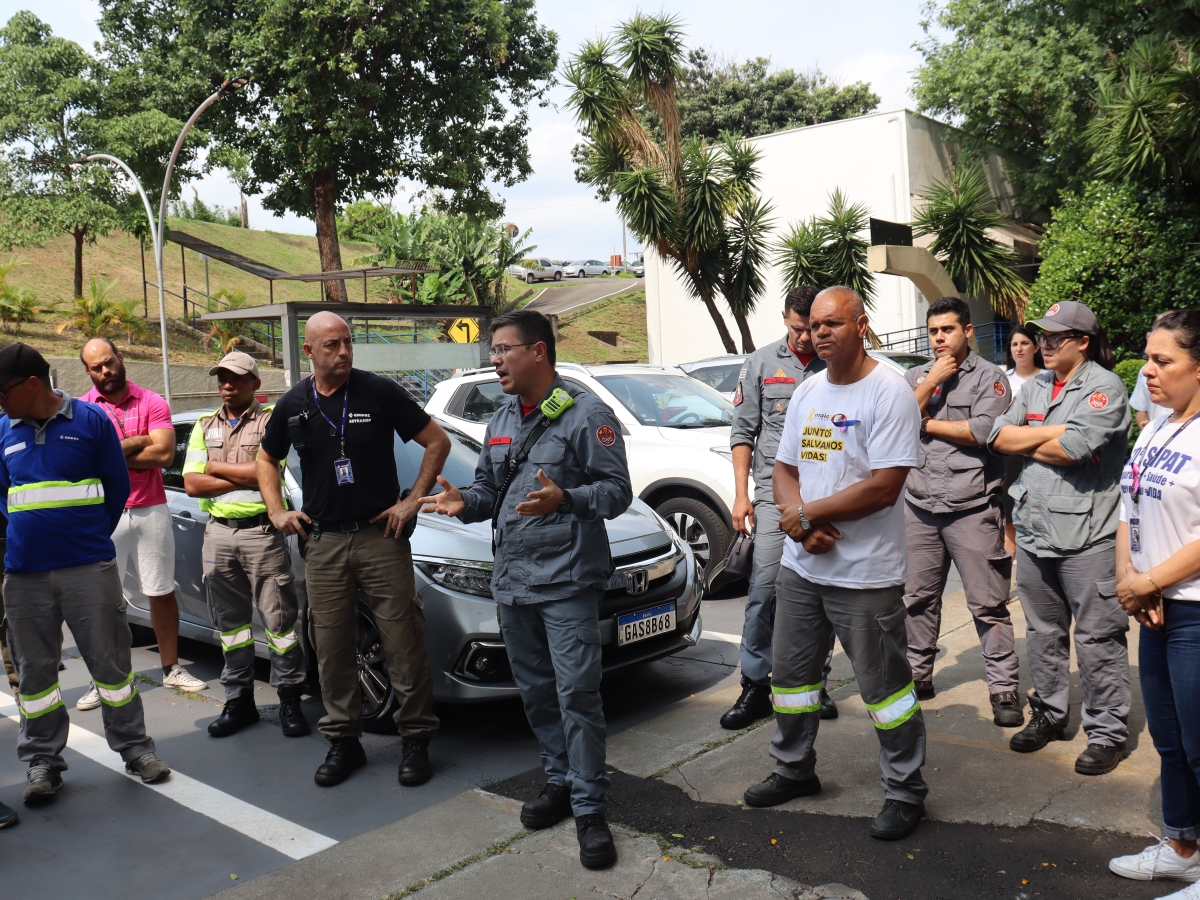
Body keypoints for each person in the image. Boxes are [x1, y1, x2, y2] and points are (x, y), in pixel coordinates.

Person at [420, 309, 633, 870]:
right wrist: (464, 502)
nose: (494, 360)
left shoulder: (587, 414)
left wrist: (568, 499)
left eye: (503, 349)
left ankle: (590, 809)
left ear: (538, 351)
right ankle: (559, 782)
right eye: (492, 350)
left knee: (577, 696)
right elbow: (491, 490)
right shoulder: (501, 417)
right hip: (514, 582)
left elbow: (617, 491)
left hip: (567, 581)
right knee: (536, 693)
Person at [740, 286, 929, 841]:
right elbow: (784, 468)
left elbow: (884, 487)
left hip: (865, 575)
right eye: (814, 325)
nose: (820, 333)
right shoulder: (808, 390)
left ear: (861, 326)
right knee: (792, 681)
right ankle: (793, 770)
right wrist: (800, 523)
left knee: (886, 692)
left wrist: (807, 515)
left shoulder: (889, 390)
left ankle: (905, 792)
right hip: (803, 569)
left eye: (833, 323)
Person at [257, 312, 450, 788]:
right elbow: (265, 457)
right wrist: (277, 510)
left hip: (380, 537)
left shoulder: (378, 391)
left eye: (347, 342)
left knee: (403, 640)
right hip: (322, 542)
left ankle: (415, 739)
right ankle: (344, 740)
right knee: (331, 647)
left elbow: (437, 442)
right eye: (331, 345)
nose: (343, 351)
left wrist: (412, 500)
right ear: (309, 351)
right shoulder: (294, 403)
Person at [0, 343, 169, 806]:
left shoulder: (91, 421)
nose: (0, 400)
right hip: (25, 574)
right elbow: (3, 496)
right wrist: (29, 535)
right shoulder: (3, 430)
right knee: (35, 674)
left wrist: (87, 539)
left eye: (3, 391)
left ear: (32, 384)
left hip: (88, 568)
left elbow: (116, 487)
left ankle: (135, 749)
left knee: (111, 665)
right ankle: (43, 762)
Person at [989, 300, 1131, 775]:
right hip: (1035, 530)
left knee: (1098, 637)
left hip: (1088, 536)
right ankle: (1049, 714)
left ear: (1083, 342)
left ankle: (1106, 732)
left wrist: (1031, 434)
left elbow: (1073, 449)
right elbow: (997, 436)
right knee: (1043, 633)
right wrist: (1049, 433)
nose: (1044, 345)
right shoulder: (1036, 385)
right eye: (1041, 337)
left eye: (1055, 338)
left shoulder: (1104, 388)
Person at [1107, 311, 1200, 892]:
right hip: (1155, 607)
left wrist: (1148, 583)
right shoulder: (1156, 428)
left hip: (1193, 610)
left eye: (1162, 360)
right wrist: (1130, 580)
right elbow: (1130, 508)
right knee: (1170, 740)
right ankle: (1183, 846)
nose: (1148, 370)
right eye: (1148, 358)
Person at [902, 297, 1022, 726]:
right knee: (917, 599)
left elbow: (983, 431)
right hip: (920, 505)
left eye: (947, 330)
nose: (939, 338)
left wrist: (926, 423)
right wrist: (931, 381)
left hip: (972, 507)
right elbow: (893, 421)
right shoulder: (916, 376)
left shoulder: (991, 378)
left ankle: (1003, 687)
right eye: (933, 331)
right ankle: (917, 677)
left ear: (967, 331)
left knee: (988, 604)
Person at [724, 285, 836, 729]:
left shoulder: (834, 362)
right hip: (773, 494)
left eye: (812, 328)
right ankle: (755, 685)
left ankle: (816, 681)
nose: (806, 337)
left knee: (821, 590)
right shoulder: (760, 363)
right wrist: (741, 495)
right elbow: (742, 432)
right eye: (797, 328)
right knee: (765, 589)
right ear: (785, 318)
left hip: (824, 495)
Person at [182, 351, 309, 739]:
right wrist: (248, 473)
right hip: (218, 534)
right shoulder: (204, 425)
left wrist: (216, 467)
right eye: (222, 377)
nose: (227, 384)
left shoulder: (270, 422)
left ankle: (289, 699)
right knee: (230, 626)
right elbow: (192, 483)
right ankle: (239, 701)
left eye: (236, 378)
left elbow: (272, 472)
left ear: (255, 383)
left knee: (279, 623)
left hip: (261, 533)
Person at [77, 338, 207, 706]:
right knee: (102, 599)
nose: (106, 371)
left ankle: (171, 669)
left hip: (151, 508)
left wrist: (112, 453)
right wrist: (138, 441)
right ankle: (103, 678)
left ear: (120, 358)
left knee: (161, 591)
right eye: (97, 367)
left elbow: (164, 454)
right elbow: (88, 461)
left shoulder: (152, 401)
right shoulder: (83, 409)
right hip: (106, 513)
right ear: (88, 371)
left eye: (110, 362)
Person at [1001, 326, 1044, 555]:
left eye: (1025, 343)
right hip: (1010, 457)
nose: (1019, 349)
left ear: (1036, 347)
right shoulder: (1002, 380)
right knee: (1009, 519)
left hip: (1041, 453)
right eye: (1014, 344)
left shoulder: (1048, 378)